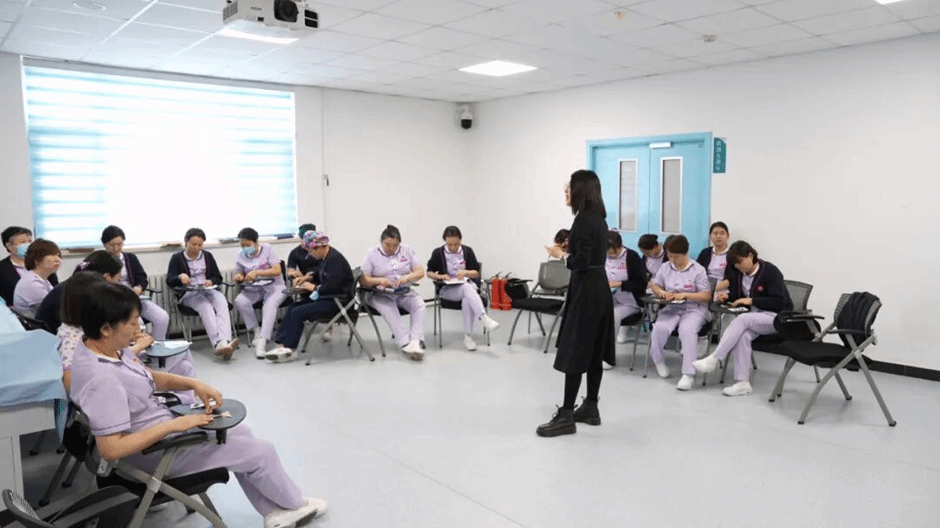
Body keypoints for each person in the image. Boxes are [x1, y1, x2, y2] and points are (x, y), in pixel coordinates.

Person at [67, 281, 327, 527]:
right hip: (155, 454)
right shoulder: (102, 379)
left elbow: (145, 377)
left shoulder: (101, 347)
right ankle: (293, 504)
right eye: (132, 323)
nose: (139, 329)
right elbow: (111, 448)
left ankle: (274, 511)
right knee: (261, 452)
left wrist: (193, 384)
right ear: (106, 328)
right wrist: (175, 426)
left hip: (158, 433)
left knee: (241, 434)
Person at [537, 170, 614, 437]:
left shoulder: (582, 220)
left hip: (586, 290)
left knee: (576, 351)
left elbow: (579, 262)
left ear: (581, 189)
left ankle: (567, 415)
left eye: (569, 187)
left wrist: (560, 254)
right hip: (599, 288)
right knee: (593, 353)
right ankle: (591, 407)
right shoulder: (599, 219)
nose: (566, 191)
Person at [693, 241, 793, 397]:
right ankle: (742, 383)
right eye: (735, 264)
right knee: (742, 336)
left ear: (750, 256)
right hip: (756, 318)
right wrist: (727, 297)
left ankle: (714, 358)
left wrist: (752, 301)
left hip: (778, 317)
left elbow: (779, 302)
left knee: (743, 319)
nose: (738, 267)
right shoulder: (738, 272)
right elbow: (739, 295)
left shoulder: (770, 271)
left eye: (740, 262)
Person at [266, 231, 354, 362]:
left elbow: (332, 287)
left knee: (298, 311)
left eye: (311, 251)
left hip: (338, 302)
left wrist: (311, 287)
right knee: (293, 307)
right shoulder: (327, 257)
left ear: (320, 247)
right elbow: (320, 273)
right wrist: (307, 278)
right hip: (329, 299)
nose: (310, 254)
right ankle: (282, 345)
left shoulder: (335, 260)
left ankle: (290, 350)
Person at [647, 234, 712, 391]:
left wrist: (685, 295)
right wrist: (661, 292)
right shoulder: (665, 267)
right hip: (671, 308)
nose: (672, 260)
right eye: (669, 256)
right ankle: (659, 361)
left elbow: (706, 296)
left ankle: (688, 374)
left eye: (676, 257)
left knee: (687, 330)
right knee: (659, 328)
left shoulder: (698, 270)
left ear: (685, 253)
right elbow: (654, 284)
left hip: (694, 309)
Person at [166, 228, 238, 360]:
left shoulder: (207, 256)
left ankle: (226, 342)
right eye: (193, 244)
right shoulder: (177, 258)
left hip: (208, 290)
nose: (196, 248)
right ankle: (217, 344)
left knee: (222, 303)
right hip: (189, 293)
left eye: (200, 245)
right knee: (206, 307)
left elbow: (217, 277)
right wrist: (180, 277)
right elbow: (170, 280)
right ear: (186, 242)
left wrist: (211, 281)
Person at [425, 225, 500, 351]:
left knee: (467, 299)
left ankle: (468, 337)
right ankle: (484, 318)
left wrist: (465, 272)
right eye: (450, 244)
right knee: (466, 288)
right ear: (445, 241)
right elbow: (429, 272)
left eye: (456, 244)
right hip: (448, 290)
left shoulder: (467, 251)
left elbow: (476, 273)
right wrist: (440, 276)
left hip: (467, 288)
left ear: (461, 240)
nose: (453, 247)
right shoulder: (438, 253)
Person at [360, 224, 426, 360]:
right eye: (387, 245)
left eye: (395, 245)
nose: (391, 248)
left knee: (419, 305)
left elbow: (420, 271)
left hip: (403, 291)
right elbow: (363, 279)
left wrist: (408, 277)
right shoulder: (371, 253)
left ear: (399, 243)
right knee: (389, 308)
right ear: (381, 242)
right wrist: (379, 280)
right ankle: (405, 343)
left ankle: (415, 341)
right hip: (379, 294)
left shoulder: (407, 250)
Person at [101, 225, 170, 341]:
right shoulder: (100, 261)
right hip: (116, 303)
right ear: (104, 244)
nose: (117, 248)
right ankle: (137, 350)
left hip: (135, 298)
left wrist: (139, 287)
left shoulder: (130, 258)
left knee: (162, 317)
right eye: (112, 245)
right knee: (138, 323)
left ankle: (156, 347)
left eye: (120, 244)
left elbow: (142, 277)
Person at [232, 227, 287, 358]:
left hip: (274, 287)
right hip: (254, 288)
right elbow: (239, 272)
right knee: (240, 301)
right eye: (242, 245)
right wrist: (238, 276)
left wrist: (257, 272)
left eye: (248, 245)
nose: (245, 248)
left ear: (256, 242)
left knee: (269, 306)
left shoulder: (267, 249)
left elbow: (277, 270)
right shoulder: (240, 255)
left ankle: (262, 342)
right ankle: (256, 330)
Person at [1, 226, 59, 307]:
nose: (28, 245)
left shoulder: (41, 263)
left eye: (29, 241)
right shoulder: (2, 269)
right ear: (9, 246)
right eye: (22, 242)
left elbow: (55, 287)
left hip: (46, 306)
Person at [605, 231, 646, 345]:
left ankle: (607, 350)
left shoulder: (631, 257)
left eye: (611, 252)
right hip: (610, 298)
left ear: (619, 246)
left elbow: (641, 284)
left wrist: (619, 284)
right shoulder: (603, 256)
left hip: (630, 302)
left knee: (613, 315)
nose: (609, 255)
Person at [12, 239, 61, 318]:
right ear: (36, 260)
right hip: (37, 324)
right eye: (52, 255)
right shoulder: (32, 283)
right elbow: (55, 310)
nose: (57, 259)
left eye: (58, 255)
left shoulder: (41, 278)